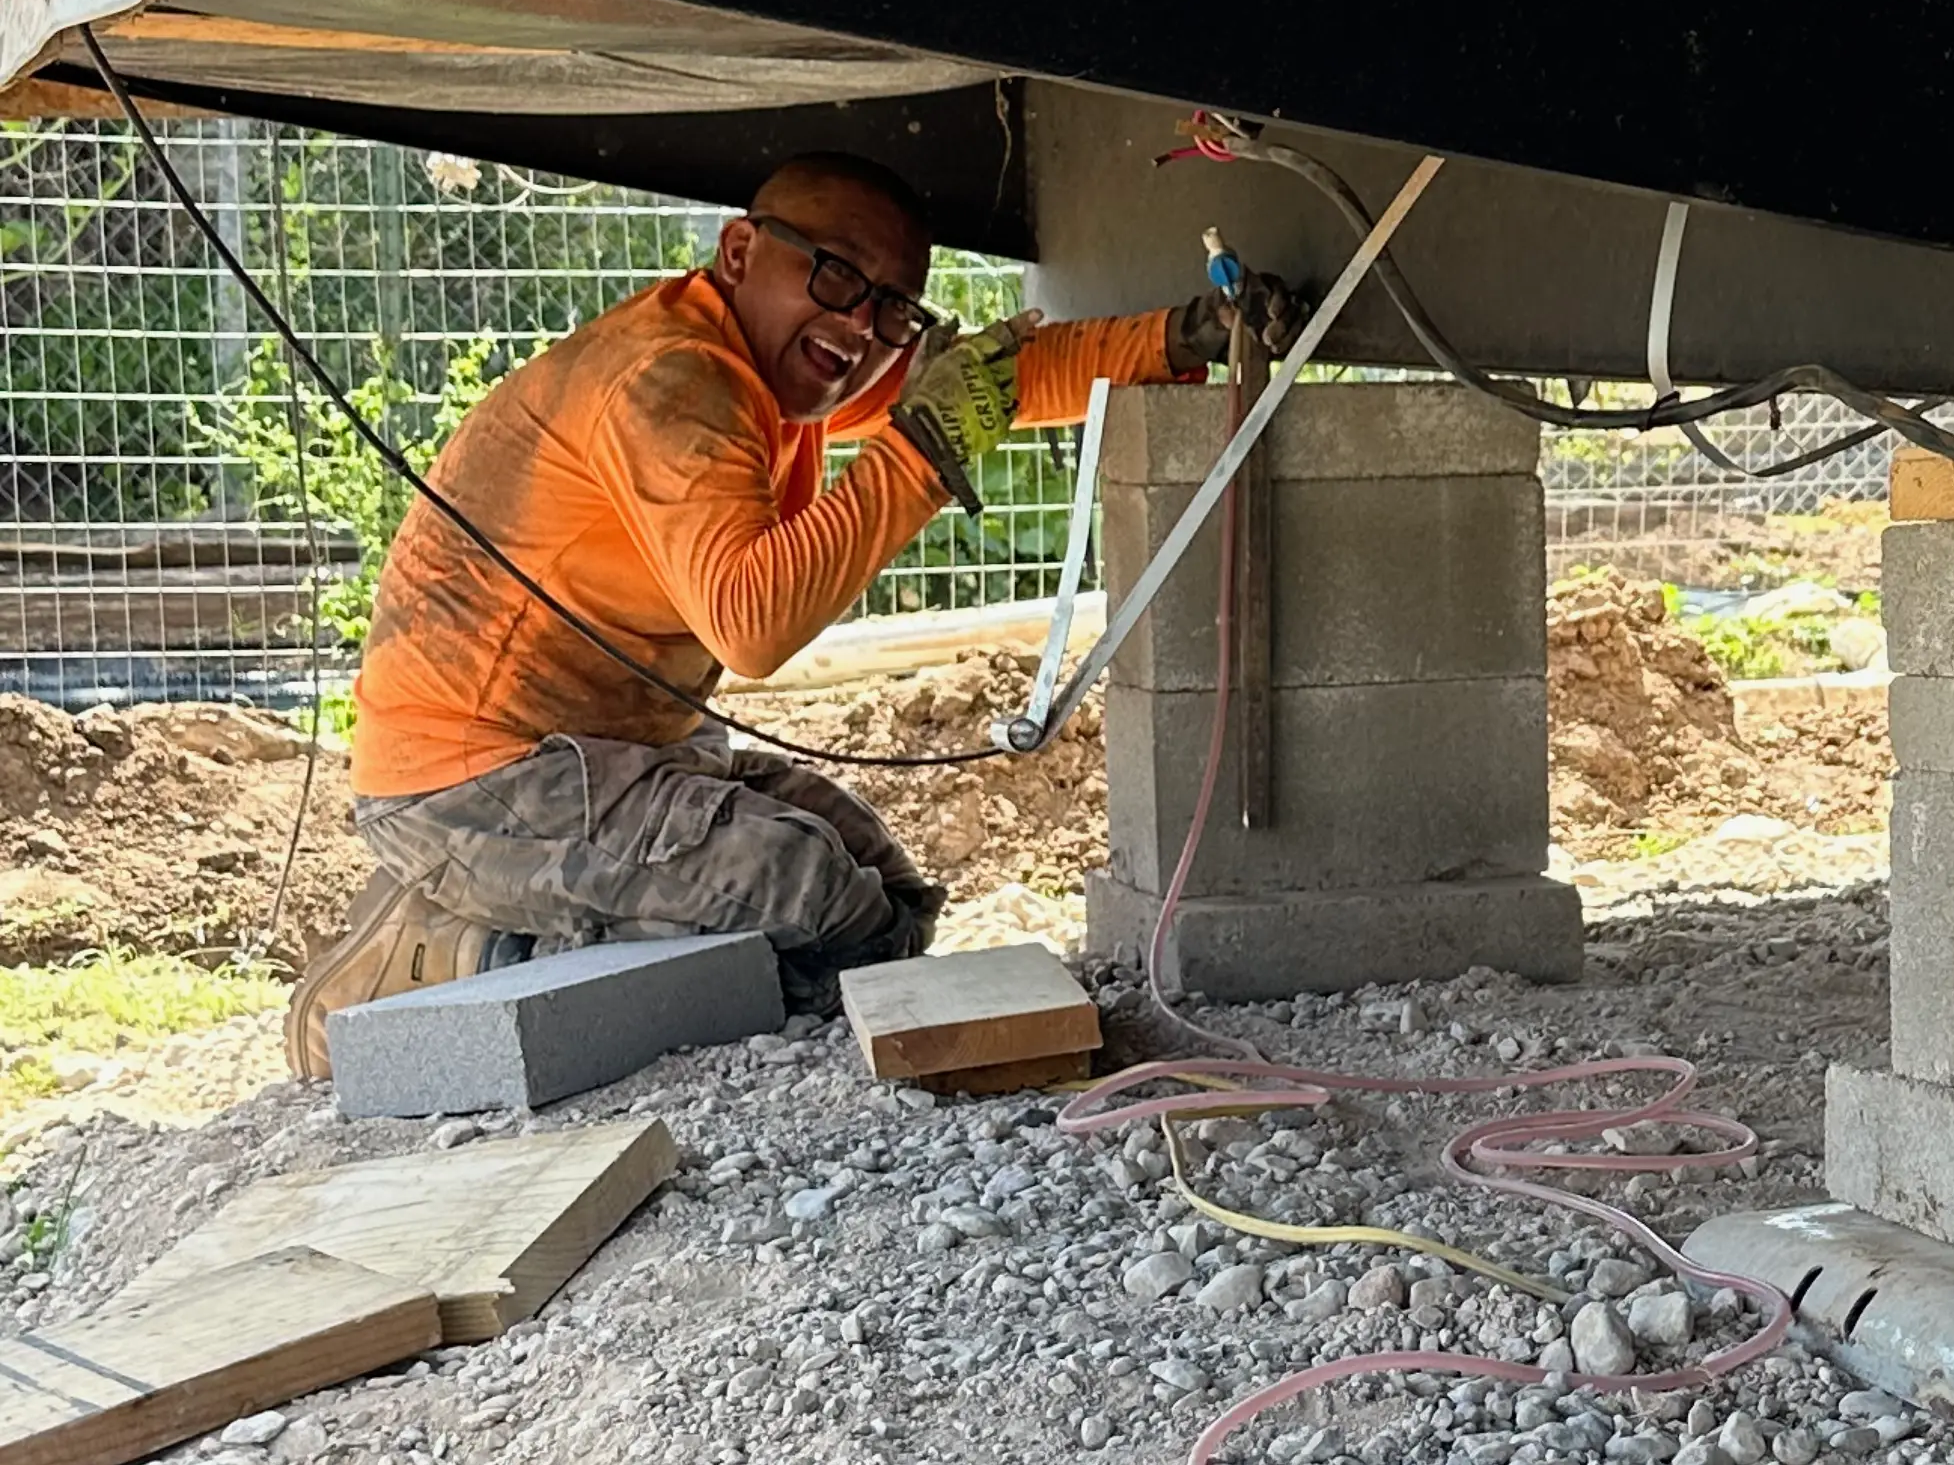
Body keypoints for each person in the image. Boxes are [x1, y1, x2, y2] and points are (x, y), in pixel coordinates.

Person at [285, 153, 1287, 1072]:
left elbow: (1001, 378)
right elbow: (753, 626)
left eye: (892, 307)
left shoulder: (776, 367)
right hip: (476, 782)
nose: (861, 327)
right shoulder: (674, 382)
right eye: (839, 277)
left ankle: (553, 935)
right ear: (739, 253)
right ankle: (453, 954)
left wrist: (1180, 335)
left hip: (605, 758)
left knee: (885, 899)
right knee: (811, 904)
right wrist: (922, 456)